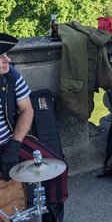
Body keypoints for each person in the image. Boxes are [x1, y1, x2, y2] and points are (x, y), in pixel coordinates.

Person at [0, 33, 68, 221]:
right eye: (1, 57)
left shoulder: (11, 75)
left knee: (56, 166)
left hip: (9, 140)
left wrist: (14, 146)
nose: (8, 59)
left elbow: (27, 110)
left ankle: (52, 217)